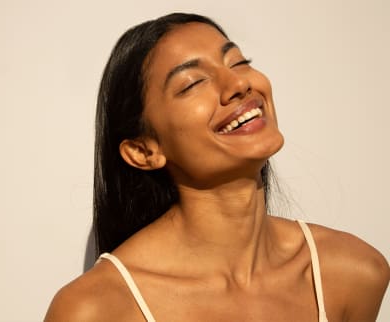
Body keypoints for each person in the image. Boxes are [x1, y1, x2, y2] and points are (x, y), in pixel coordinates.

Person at [44, 13, 389, 322]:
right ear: (143, 151)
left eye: (238, 62)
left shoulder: (352, 274)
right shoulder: (96, 310)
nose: (240, 84)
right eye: (193, 83)